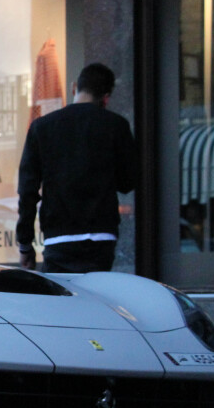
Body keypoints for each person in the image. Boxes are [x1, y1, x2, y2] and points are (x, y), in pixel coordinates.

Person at [16, 62, 138, 273]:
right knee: (96, 298)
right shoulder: (116, 125)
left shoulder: (42, 128)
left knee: (62, 301)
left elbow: (27, 191)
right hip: (101, 235)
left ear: (74, 87)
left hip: (59, 236)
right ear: (106, 97)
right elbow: (128, 182)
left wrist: (25, 245)